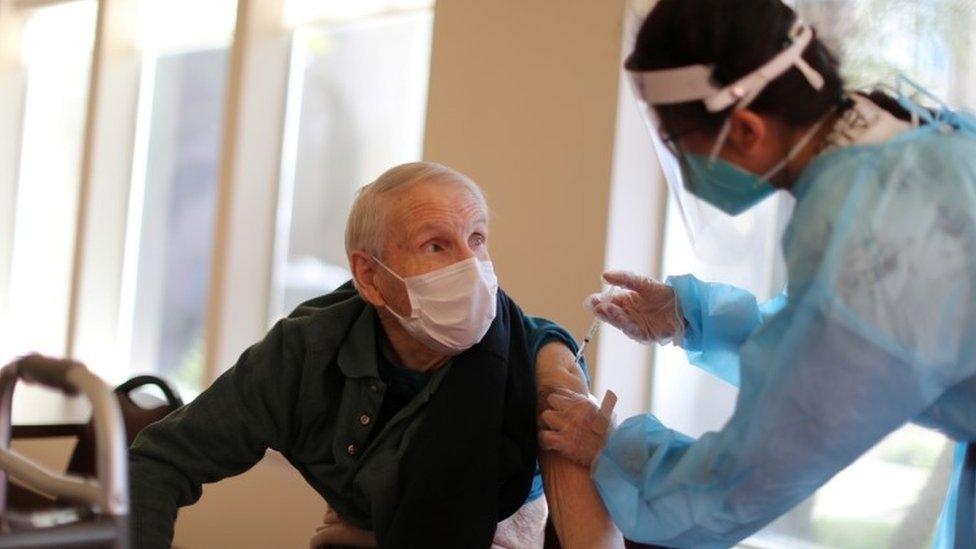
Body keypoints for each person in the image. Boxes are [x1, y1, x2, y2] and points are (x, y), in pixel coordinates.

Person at [538, 0, 976, 547]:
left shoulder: (863, 227)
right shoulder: (897, 132)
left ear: (745, 129)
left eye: (681, 146)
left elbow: (752, 475)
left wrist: (614, 452)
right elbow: (842, 344)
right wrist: (692, 317)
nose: (685, 167)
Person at [129, 162, 624, 549]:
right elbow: (159, 462)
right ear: (369, 276)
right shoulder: (308, 352)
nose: (470, 268)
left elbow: (591, 538)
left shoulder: (540, 360)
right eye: (436, 245)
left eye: (477, 240)